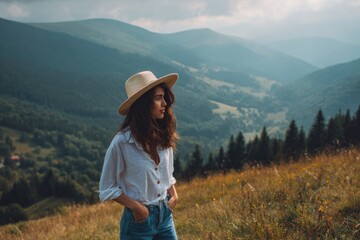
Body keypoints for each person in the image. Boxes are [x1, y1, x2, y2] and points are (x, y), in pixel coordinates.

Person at [99, 70, 180, 240]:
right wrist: (136, 207)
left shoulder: (164, 136)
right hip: (139, 222)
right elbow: (106, 187)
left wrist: (173, 196)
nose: (164, 103)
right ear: (143, 104)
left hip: (165, 215)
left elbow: (167, 174)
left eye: (164, 97)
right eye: (158, 98)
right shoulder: (122, 143)